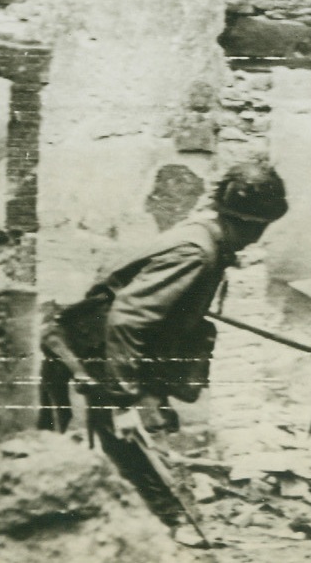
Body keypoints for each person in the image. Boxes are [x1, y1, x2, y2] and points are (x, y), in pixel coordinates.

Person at [39, 157, 289, 435]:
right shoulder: (196, 252)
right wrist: (126, 401)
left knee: (116, 453)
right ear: (249, 223)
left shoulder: (203, 238)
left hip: (108, 352)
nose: (257, 237)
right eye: (260, 227)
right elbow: (127, 317)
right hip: (99, 352)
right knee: (137, 459)